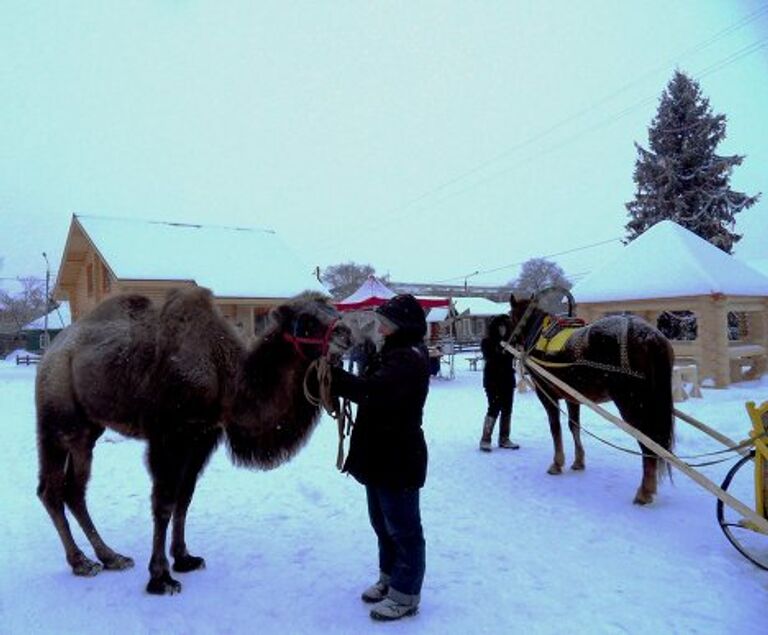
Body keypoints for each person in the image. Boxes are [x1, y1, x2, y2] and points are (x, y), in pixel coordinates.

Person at [330, 294, 429, 622]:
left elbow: (372, 392)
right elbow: (368, 383)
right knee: (383, 524)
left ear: (400, 325)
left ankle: (405, 595)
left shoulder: (409, 359)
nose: (379, 324)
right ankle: (389, 578)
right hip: (380, 454)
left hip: (398, 455)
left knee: (403, 529)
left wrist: (334, 376)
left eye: (385, 320)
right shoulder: (393, 352)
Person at [479, 313, 520, 452]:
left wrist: (512, 349)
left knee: (507, 409)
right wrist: (501, 350)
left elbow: (514, 356)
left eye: (505, 326)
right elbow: (490, 357)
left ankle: (504, 438)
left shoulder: (511, 342)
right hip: (493, 380)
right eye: (500, 326)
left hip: (508, 379)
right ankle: (485, 439)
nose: (502, 329)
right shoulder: (487, 341)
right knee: (494, 407)